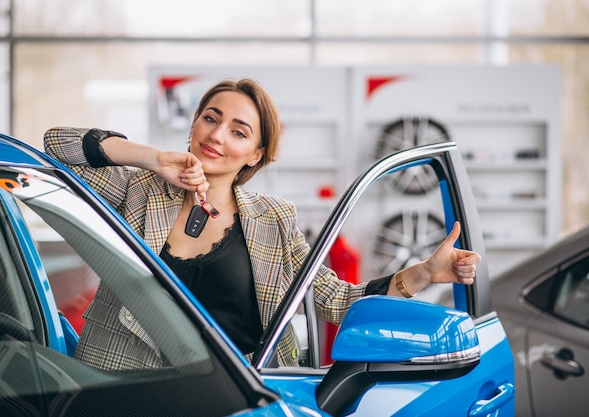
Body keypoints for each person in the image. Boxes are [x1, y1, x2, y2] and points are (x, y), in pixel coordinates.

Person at [44, 78, 480, 370]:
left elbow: (338, 303)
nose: (216, 135)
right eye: (210, 118)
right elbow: (55, 144)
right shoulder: (139, 189)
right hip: (118, 386)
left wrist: (424, 273)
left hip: (229, 394)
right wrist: (153, 158)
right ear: (194, 124)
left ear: (255, 153)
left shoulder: (274, 219)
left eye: (238, 130)